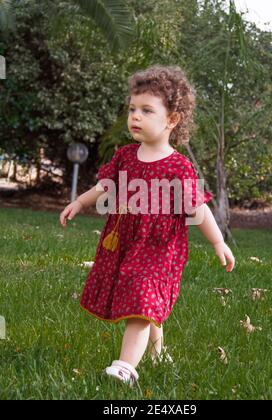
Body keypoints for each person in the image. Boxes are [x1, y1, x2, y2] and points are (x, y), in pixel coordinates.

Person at [59, 65, 235, 387]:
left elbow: (198, 209)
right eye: (132, 109)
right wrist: (80, 202)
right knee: (145, 300)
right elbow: (105, 187)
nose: (135, 117)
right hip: (126, 242)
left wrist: (217, 242)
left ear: (172, 120)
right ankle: (158, 352)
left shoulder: (178, 166)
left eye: (146, 110)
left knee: (141, 299)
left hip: (159, 249)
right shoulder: (126, 156)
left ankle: (125, 367)